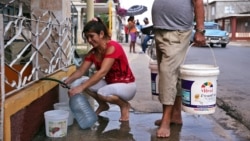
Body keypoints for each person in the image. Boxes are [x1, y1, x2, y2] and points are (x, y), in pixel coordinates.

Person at [64, 17, 136, 122]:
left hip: (127, 86)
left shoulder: (113, 47)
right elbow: (81, 71)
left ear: (101, 34)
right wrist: (67, 81)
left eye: (91, 36)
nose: (89, 40)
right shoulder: (93, 52)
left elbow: (102, 72)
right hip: (111, 84)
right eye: (87, 37)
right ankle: (103, 105)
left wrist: (81, 88)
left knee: (101, 92)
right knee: (85, 82)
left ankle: (124, 105)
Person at [151, 0, 206, 138]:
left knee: (167, 72)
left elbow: (198, 2)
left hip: (177, 31)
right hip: (160, 30)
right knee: (174, 74)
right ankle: (175, 115)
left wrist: (200, 30)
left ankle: (166, 120)